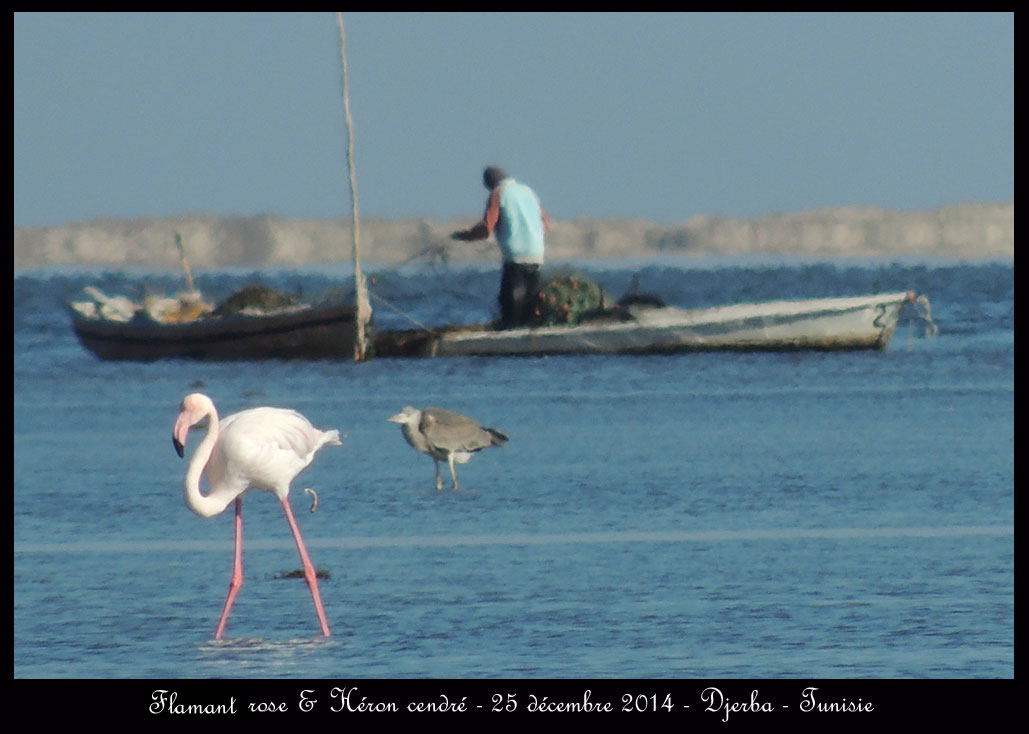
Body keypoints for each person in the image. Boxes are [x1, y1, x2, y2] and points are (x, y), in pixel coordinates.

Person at [452, 166, 550, 329]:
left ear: (490, 183)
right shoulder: (528, 191)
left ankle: (511, 332)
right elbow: (545, 223)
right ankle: (529, 331)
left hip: (516, 256)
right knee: (530, 300)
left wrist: (464, 236)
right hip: (537, 254)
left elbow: (486, 229)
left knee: (509, 300)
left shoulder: (498, 193)